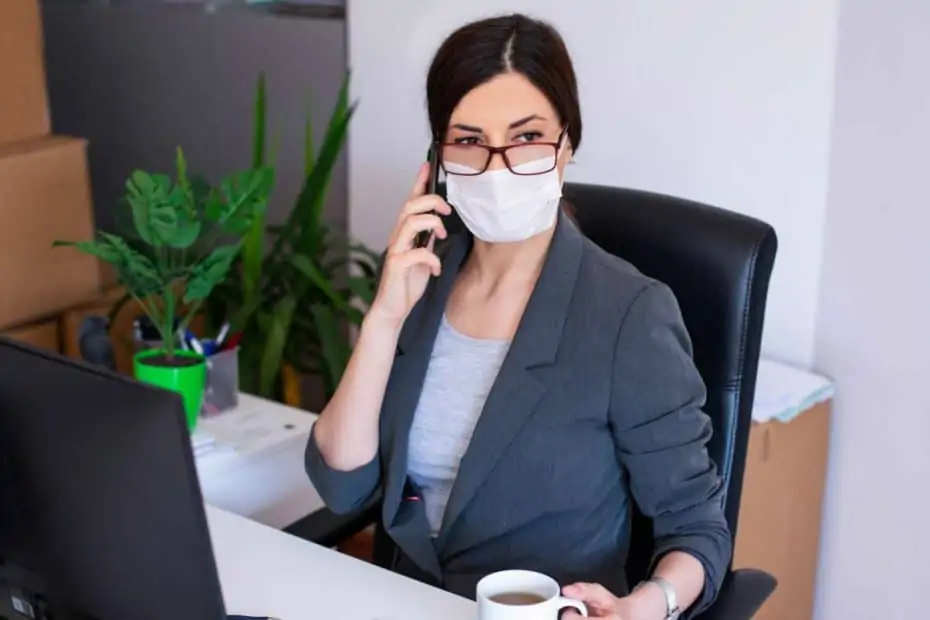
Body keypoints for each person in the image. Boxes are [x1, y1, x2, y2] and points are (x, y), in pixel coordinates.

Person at [306, 13, 730, 620]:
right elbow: (341, 484)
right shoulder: (421, 280)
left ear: (567, 145)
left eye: (527, 136)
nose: (499, 166)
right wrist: (382, 318)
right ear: (439, 157)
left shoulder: (629, 315)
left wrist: (648, 605)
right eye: (470, 140)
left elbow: (697, 528)